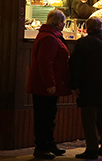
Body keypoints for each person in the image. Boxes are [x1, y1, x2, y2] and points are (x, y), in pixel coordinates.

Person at [69, 17, 102, 159]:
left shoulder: (82, 43)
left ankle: (92, 149)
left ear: (87, 28)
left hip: (89, 86)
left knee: (89, 119)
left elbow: (75, 66)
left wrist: (75, 85)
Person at [27, 9, 70, 160]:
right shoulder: (49, 38)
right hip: (44, 86)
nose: (64, 25)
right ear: (59, 23)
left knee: (49, 116)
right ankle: (42, 147)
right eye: (63, 22)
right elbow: (45, 63)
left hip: (47, 85)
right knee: (44, 117)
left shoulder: (49, 35)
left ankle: (49, 144)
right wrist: (50, 84)